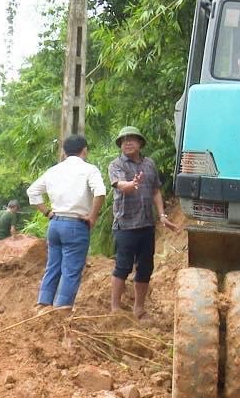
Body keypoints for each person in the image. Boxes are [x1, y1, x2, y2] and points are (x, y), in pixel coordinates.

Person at [27, 134, 106, 312]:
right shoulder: (89, 169)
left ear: (64, 151)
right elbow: (100, 192)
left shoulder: (54, 170)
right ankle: (61, 309)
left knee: (53, 266)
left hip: (55, 224)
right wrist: (92, 217)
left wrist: (46, 211)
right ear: (84, 150)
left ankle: (43, 303)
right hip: (75, 225)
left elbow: (32, 191)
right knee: (71, 270)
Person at [108, 126, 179, 319]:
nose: (127, 143)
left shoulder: (149, 164)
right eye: (123, 140)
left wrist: (162, 215)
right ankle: (115, 308)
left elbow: (156, 191)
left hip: (147, 225)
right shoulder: (116, 165)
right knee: (122, 266)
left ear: (140, 143)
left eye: (131, 139)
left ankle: (139, 308)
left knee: (146, 268)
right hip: (125, 225)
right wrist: (131, 185)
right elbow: (121, 185)